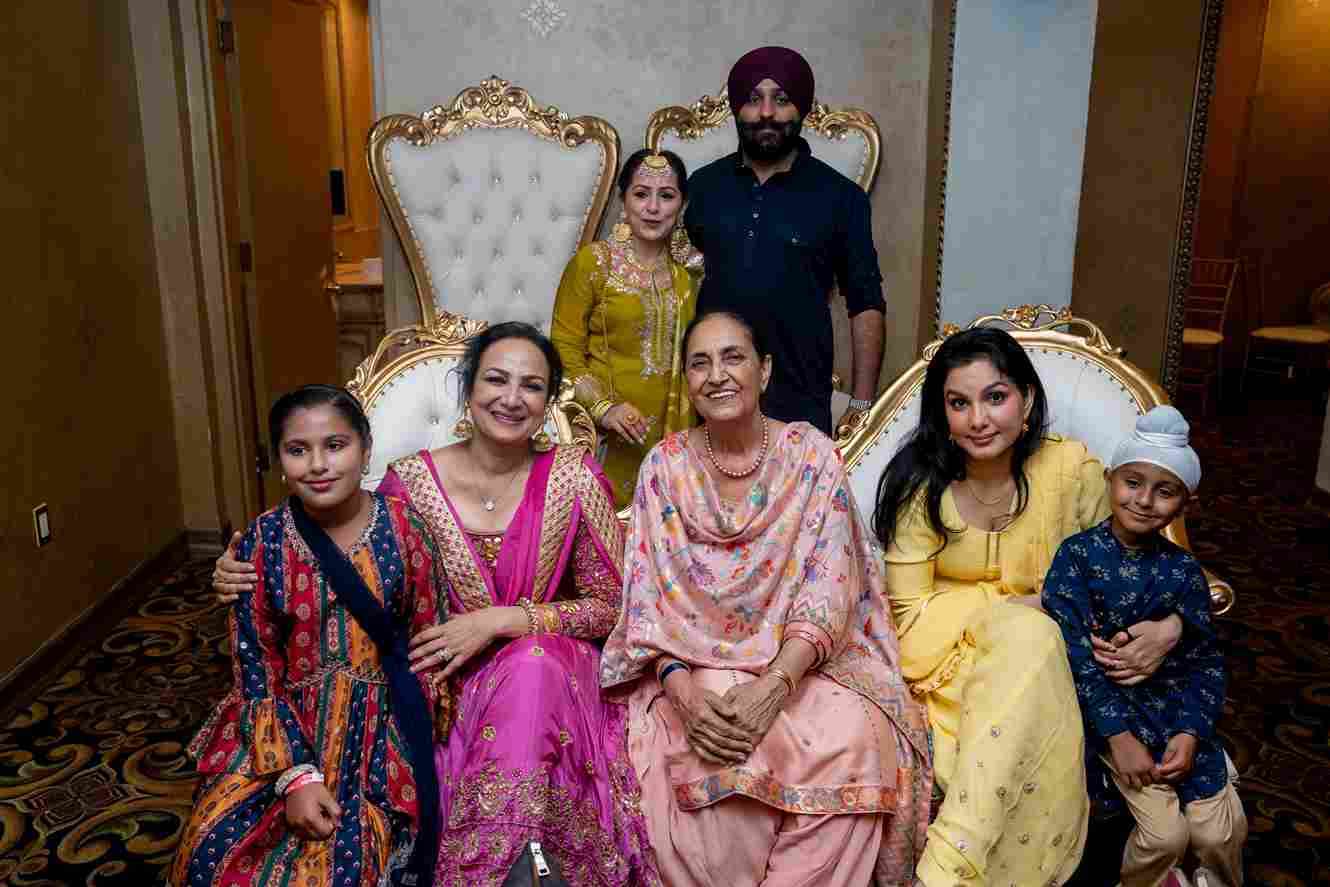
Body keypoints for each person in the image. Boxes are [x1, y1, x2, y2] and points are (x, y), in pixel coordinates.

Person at [212, 324, 660, 886]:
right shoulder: (411, 483)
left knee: (533, 665)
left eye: (531, 385)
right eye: (495, 380)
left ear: (549, 401)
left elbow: (611, 608)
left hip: (553, 672)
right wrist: (240, 567)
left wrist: (505, 621)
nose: (511, 398)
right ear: (468, 389)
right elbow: (349, 568)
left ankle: (501, 867)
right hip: (446, 680)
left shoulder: (574, 477)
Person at [599, 309, 931, 887]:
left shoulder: (811, 456)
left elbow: (830, 588)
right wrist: (682, 694)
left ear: (765, 369)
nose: (717, 375)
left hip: (801, 665)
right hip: (692, 665)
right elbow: (648, 601)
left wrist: (775, 684)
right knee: (716, 747)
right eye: (699, 363)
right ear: (687, 380)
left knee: (854, 734)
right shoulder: (665, 467)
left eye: (733, 357)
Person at [873, 327, 1186, 886]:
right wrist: (1021, 607)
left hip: (1064, 667)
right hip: (952, 671)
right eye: (959, 403)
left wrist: (1174, 622)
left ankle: (944, 871)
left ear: (1027, 400)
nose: (978, 419)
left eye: (995, 397)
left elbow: (1127, 578)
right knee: (1027, 630)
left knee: (1033, 639)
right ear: (942, 413)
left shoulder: (1071, 472)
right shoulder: (922, 487)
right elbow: (909, 620)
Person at [173, 385, 447, 887]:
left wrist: (418, 738)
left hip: (381, 723)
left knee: (344, 861)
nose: (318, 465)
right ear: (279, 461)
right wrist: (295, 776)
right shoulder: (263, 541)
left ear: (365, 449)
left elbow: (430, 636)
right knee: (209, 851)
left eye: (335, 445)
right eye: (298, 450)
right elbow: (254, 665)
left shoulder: (405, 528)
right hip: (283, 720)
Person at [1043, 406, 1247, 887]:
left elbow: (1205, 663)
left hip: (1177, 720)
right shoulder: (1077, 557)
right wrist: (1118, 737)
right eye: (1132, 483)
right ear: (1110, 480)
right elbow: (1076, 659)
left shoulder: (1184, 571)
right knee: (1164, 838)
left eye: (1165, 491)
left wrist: (1191, 732)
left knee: (1220, 833)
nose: (1144, 500)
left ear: (1185, 504)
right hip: (1117, 720)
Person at [683, 46, 886, 436]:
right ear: (736, 109)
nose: (766, 113)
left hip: (800, 402)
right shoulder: (703, 187)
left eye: (781, 99)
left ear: (802, 107)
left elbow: (865, 302)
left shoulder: (841, 197)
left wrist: (862, 405)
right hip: (713, 394)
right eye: (752, 99)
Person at [551, 148, 698, 505]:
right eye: (641, 194)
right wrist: (603, 408)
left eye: (666, 196)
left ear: (682, 205)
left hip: (673, 435)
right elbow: (563, 346)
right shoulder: (594, 264)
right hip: (602, 431)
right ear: (623, 200)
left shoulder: (690, 276)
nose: (653, 208)